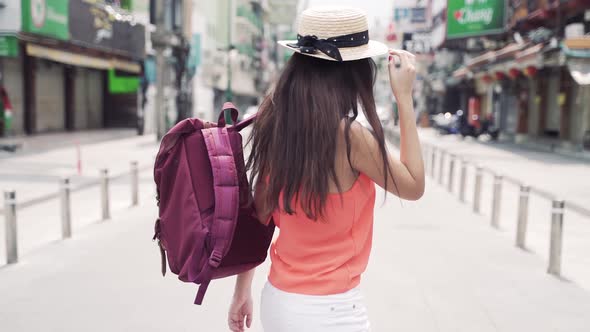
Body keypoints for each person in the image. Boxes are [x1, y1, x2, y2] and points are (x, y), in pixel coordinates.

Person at [228, 7, 425, 332]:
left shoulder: (276, 126)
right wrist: (404, 98)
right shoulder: (350, 138)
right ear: (353, 72)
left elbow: (259, 218)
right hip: (331, 310)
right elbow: (414, 184)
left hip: (278, 301)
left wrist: (240, 291)